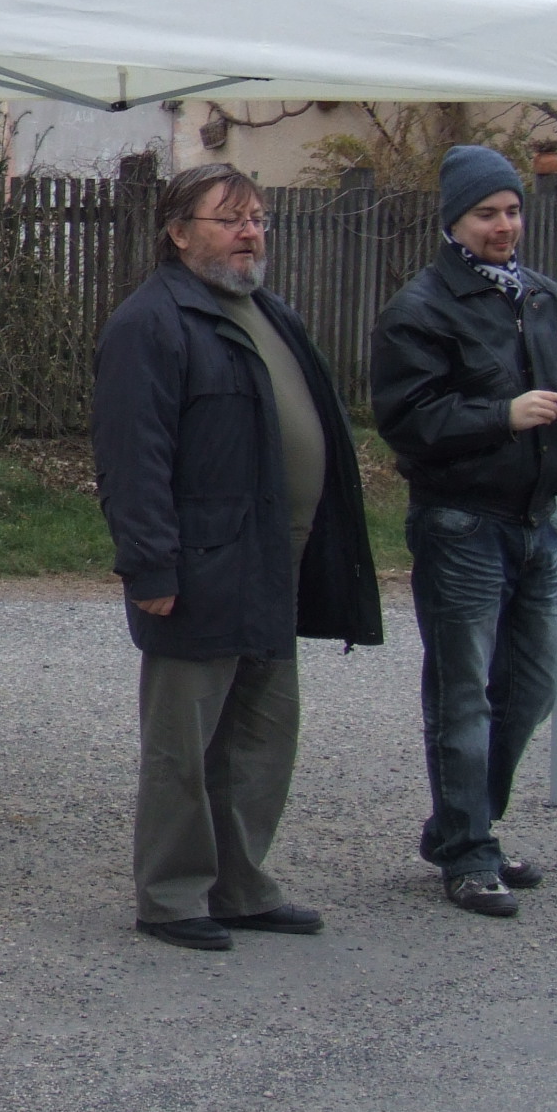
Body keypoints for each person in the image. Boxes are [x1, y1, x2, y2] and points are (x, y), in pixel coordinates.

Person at [93, 164, 382, 951]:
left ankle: (242, 885)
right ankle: (172, 896)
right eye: (231, 220)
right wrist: (150, 566)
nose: (250, 233)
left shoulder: (270, 313)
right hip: (200, 565)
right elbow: (132, 457)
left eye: (258, 218)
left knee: (262, 733)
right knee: (184, 743)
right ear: (178, 232)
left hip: (274, 560)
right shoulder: (151, 324)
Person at [372, 145, 557, 918]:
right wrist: (501, 416)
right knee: (464, 697)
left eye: (512, 210)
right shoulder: (419, 309)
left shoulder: (543, 296)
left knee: (533, 687)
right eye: (486, 214)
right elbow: (407, 421)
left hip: (538, 522)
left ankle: (462, 826)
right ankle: (471, 852)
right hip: (461, 525)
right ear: (455, 222)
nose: (504, 225)